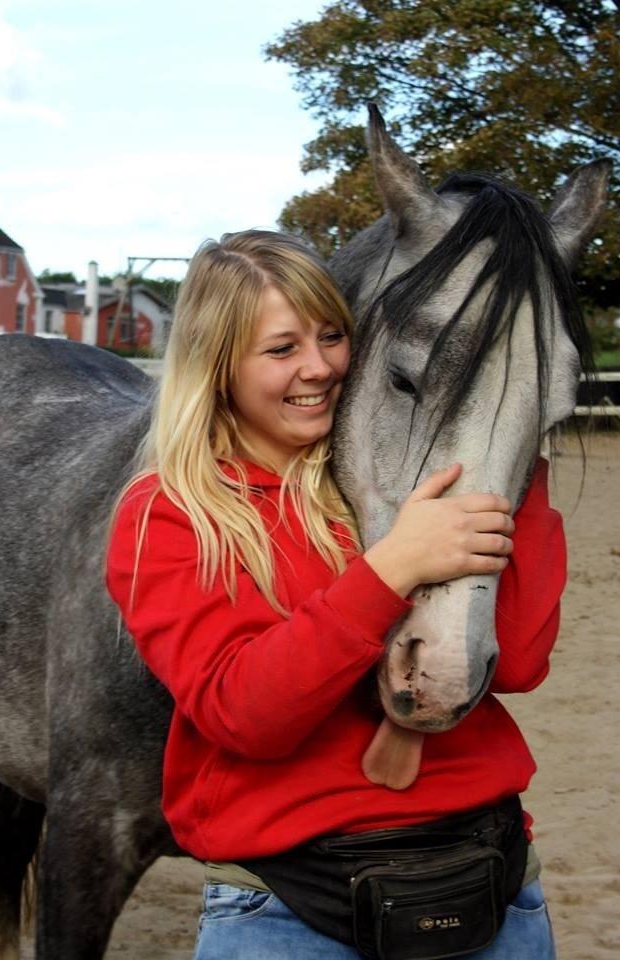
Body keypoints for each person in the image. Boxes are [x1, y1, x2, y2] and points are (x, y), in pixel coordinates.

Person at [105, 230, 562, 960]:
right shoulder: (171, 514)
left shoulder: (399, 474)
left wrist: (515, 451)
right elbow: (244, 714)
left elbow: (516, 664)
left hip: (489, 884)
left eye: (331, 335)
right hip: (291, 912)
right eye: (281, 349)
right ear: (217, 365)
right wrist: (391, 569)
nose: (317, 368)